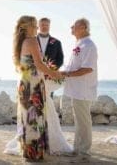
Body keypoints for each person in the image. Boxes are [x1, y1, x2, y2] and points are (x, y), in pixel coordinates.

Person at [4, 16, 73, 159]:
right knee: (35, 117)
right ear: (28, 27)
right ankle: (34, 153)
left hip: (24, 83)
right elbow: (40, 65)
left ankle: (28, 151)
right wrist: (56, 75)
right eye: (35, 26)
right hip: (33, 84)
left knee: (27, 117)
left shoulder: (20, 42)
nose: (37, 29)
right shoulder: (31, 41)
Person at [62, 18, 98, 156]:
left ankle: (84, 150)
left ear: (83, 27)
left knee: (83, 120)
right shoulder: (80, 44)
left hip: (83, 89)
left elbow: (88, 69)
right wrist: (62, 72)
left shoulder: (89, 45)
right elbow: (73, 65)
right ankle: (77, 148)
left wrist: (67, 74)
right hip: (76, 89)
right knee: (79, 119)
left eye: (74, 25)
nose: (71, 27)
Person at [37, 18, 64, 98]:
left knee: (48, 99)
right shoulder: (32, 41)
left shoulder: (56, 42)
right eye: (42, 25)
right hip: (34, 75)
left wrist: (52, 70)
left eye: (47, 25)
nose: (44, 27)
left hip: (50, 76)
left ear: (49, 26)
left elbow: (60, 59)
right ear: (38, 26)